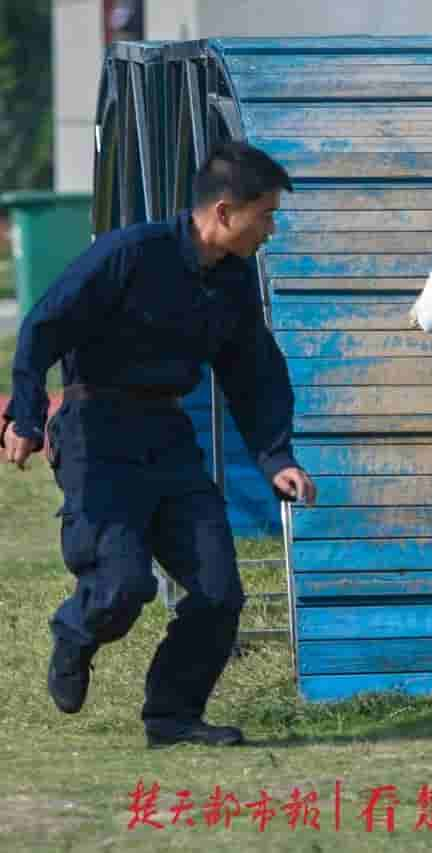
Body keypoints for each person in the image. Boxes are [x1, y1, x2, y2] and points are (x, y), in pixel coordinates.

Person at [0, 141, 317, 749]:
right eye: (267, 215)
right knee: (122, 586)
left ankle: (172, 718)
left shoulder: (232, 281)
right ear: (225, 213)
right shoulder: (128, 255)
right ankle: (75, 632)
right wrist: (28, 416)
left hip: (169, 438)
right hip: (97, 432)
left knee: (220, 593)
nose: (271, 230)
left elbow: (254, 370)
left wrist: (276, 456)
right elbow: (44, 327)